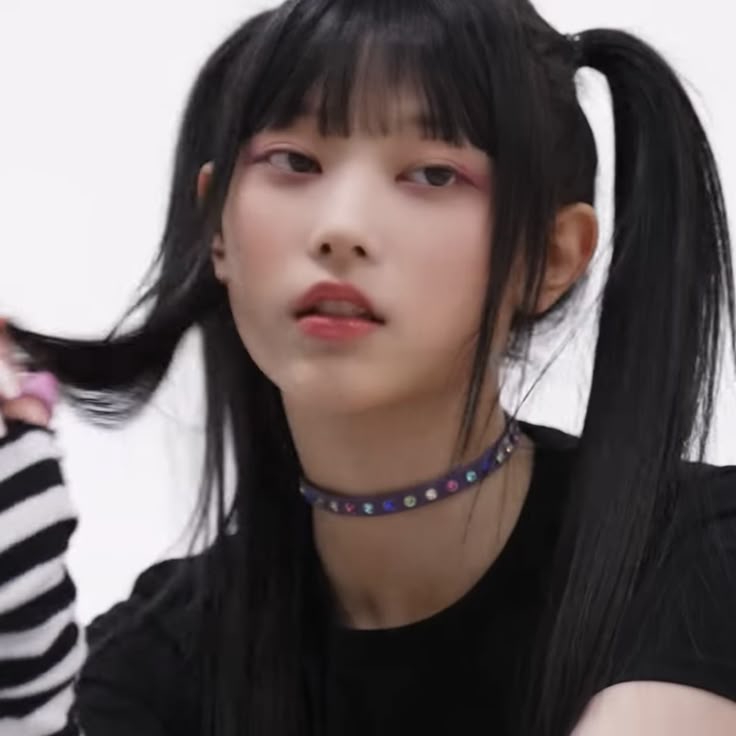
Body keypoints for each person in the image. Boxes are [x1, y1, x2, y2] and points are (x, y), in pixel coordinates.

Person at [1, 0, 736, 734]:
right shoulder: (159, 658)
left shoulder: (700, 552)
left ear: (550, 256)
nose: (341, 228)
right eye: (294, 162)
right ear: (215, 226)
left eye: (433, 174)